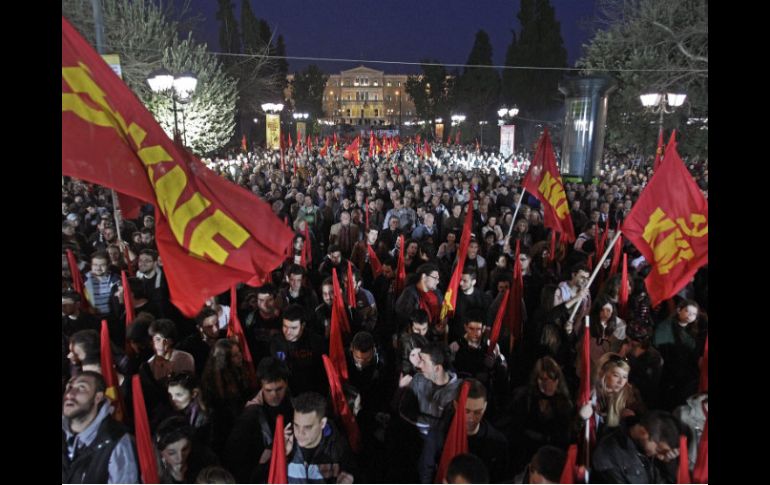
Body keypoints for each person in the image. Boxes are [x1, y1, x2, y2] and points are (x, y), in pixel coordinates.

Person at [420, 379, 509, 483]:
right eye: (466, 411)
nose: (471, 418)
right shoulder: (438, 434)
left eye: (477, 412)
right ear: (456, 405)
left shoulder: (497, 443)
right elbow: (426, 472)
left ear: (485, 407)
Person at [224, 357, 294, 483]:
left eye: (279, 389)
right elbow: (235, 457)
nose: (274, 395)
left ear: (286, 384)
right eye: (268, 390)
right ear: (261, 386)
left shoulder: (292, 403)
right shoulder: (250, 416)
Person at [62, 371, 139, 483]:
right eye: (69, 387)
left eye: (81, 388)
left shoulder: (116, 440)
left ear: (98, 397)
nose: (70, 394)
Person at [592, 410, 685, 483]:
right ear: (643, 432)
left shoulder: (646, 451)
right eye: (658, 450)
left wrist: (668, 463)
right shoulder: (608, 453)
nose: (659, 456)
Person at [284, 392, 357, 483]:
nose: (300, 433)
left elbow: (357, 473)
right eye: (296, 425)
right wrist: (282, 455)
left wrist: (351, 478)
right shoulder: (283, 442)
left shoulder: (339, 449)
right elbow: (263, 477)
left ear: (322, 423)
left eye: (307, 427)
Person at [154, 416, 219, 483]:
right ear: (161, 452)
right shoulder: (151, 471)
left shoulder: (205, 460)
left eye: (185, 449)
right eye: (171, 453)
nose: (180, 458)